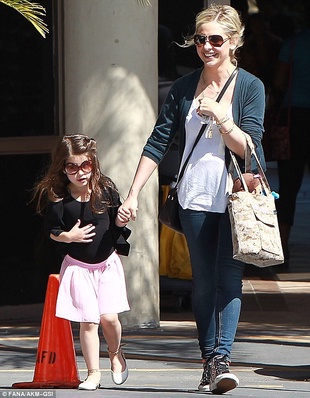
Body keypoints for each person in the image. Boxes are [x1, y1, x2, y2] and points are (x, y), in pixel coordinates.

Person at [120, 4, 265, 395]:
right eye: (201, 39)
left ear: (234, 41)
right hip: (194, 197)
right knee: (203, 282)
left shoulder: (250, 86)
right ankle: (207, 358)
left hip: (235, 200)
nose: (207, 46)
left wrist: (221, 116)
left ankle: (222, 359)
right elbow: (157, 142)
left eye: (216, 39)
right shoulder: (184, 88)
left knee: (229, 277)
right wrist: (133, 193)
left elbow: (251, 149)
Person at [33, 134, 131, 391]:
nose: (80, 173)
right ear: (63, 168)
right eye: (72, 167)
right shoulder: (58, 197)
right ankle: (93, 373)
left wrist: (122, 218)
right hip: (77, 267)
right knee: (88, 321)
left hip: (107, 264)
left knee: (109, 318)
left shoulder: (105, 189)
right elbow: (51, 230)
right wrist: (69, 236)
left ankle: (115, 352)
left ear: (93, 163)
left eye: (85, 165)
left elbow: (117, 224)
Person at [272, 1, 310, 266]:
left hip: (294, 117)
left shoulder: (294, 44)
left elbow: (278, 82)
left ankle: (282, 248)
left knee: (288, 185)